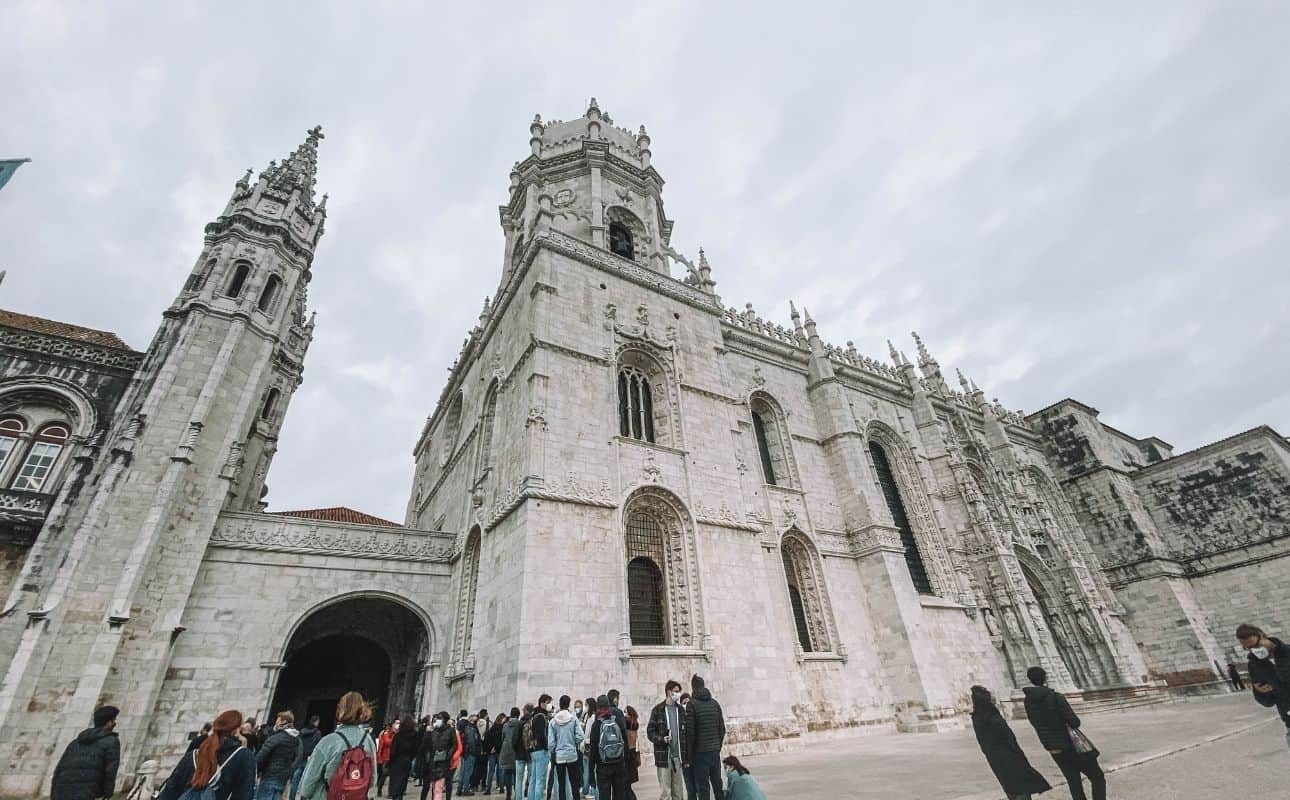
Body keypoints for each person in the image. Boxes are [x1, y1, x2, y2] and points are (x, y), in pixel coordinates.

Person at [1023, 667, 1104, 800]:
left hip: (1053, 747)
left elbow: (1034, 723)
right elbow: (1074, 722)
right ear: (1045, 678)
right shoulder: (1055, 697)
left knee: (1074, 781)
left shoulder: (1028, 702)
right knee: (1097, 777)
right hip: (1071, 745)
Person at [970, 686, 1051, 800]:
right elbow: (1008, 737)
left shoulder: (976, 716)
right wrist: (1017, 753)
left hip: (994, 758)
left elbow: (982, 741)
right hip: (1009, 755)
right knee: (1021, 786)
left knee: (1010, 786)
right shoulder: (993, 716)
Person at [158, 709, 256, 800]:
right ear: (236, 730)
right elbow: (245, 795)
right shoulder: (244, 756)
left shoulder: (193, 755)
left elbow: (170, 791)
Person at [299, 692, 378, 800]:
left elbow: (309, 781)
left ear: (340, 711)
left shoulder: (329, 741)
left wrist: (304, 795)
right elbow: (373, 778)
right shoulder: (368, 740)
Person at [51, 704, 122, 800]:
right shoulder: (111, 741)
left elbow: (59, 769)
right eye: (114, 720)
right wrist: (107, 794)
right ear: (108, 722)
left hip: (61, 791)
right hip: (86, 793)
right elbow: (110, 771)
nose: (115, 723)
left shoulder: (75, 742)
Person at [1237, 623, 1290, 749]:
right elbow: (1267, 702)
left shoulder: (1288, 652)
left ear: (1262, 636)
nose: (1254, 650)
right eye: (1248, 648)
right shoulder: (1254, 665)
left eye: (1255, 645)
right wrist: (1261, 692)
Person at [684, 676, 724, 800]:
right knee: (718, 785)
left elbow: (690, 733)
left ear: (693, 687)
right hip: (714, 751)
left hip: (700, 754)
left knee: (703, 788)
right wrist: (717, 746)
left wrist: (689, 756)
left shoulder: (692, 705)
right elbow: (722, 729)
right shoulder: (715, 703)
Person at [647, 680, 688, 800]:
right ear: (669, 692)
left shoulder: (681, 710)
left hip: (678, 758)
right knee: (666, 793)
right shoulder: (658, 710)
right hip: (664, 757)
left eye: (679, 691)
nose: (678, 694)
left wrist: (685, 758)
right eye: (676, 691)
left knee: (678, 793)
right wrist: (661, 739)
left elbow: (685, 734)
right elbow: (650, 732)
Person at [588, 695, 627, 800]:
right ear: (608, 706)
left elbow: (593, 751)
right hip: (619, 765)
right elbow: (625, 743)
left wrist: (591, 773)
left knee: (604, 796)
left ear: (598, 707)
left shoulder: (596, 725)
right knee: (619, 795)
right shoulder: (617, 721)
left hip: (603, 767)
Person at [257, 711, 302, 800]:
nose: (275, 723)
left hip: (269, 776)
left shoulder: (275, 738)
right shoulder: (296, 740)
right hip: (282, 779)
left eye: (277, 721)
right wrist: (289, 771)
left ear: (283, 722)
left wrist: (257, 770)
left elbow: (261, 756)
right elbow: (297, 757)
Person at [548, 696, 584, 800]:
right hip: (572, 754)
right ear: (568, 704)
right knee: (574, 783)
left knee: (561, 784)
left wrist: (554, 749)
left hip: (559, 756)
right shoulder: (573, 719)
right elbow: (580, 735)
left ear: (560, 704)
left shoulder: (553, 721)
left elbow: (551, 743)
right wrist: (573, 742)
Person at [421, 712, 462, 800]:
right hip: (432, 761)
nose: (437, 720)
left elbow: (454, 745)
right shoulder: (433, 730)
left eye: (440, 718)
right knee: (433, 786)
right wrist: (427, 733)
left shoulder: (451, 731)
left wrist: (448, 755)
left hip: (443, 762)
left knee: (438, 787)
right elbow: (425, 745)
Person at [520, 695, 552, 800]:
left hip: (533, 750)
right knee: (540, 780)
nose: (550, 705)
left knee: (533, 779)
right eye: (548, 702)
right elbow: (541, 735)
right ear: (542, 703)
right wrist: (547, 746)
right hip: (540, 750)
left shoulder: (534, 715)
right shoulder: (541, 716)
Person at [290, 717, 322, 800]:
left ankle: (291, 798)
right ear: (316, 722)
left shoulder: (302, 731)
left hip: (299, 756)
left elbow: (297, 743)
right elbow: (317, 746)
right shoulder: (317, 733)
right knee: (306, 781)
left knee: (295, 780)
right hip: (309, 758)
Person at [389, 716, 420, 800]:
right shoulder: (415, 736)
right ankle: (400, 796)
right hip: (407, 760)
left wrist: (391, 761)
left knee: (395, 781)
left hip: (397, 760)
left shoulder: (398, 736)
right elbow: (416, 749)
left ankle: (395, 796)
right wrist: (411, 757)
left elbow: (393, 751)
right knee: (403, 781)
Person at [499, 708, 521, 800]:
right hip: (516, 751)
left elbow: (502, 737)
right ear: (518, 715)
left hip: (506, 751)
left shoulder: (505, 725)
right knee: (517, 774)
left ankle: (508, 794)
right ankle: (517, 794)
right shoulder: (520, 724)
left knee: (508, 773)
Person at [483, 712, 507, 795]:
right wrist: (495, 748)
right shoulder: (502, 728)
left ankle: (488, 789)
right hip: (499, 752)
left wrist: (490, 749)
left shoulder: (491, 728)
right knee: (500, 771)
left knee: (491, 771)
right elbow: (502, 741)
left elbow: (487, 740)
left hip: (491, 753)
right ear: (501, 719)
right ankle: (501, 788)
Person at [580, 698, 599, 800]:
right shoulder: (595, 716)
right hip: (594, 746)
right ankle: (591, 790)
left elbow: (586, 734)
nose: (584, 707)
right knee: (593, 770)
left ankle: (586, 790)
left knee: (587, 770)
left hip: (588, 746)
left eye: (586, 705)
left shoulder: (591, 718)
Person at [457, 711, 480, 797]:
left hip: (465, 752)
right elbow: (471, 741)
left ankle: (460, 789)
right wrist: (474, 751)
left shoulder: (467, 727)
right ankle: (465, 789)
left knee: (463, 771)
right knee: (467, 772)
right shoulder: (471, 728)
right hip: (469, 753)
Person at [678, 695, 694, 800]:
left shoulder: (696, 718)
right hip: (685, 761)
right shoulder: (679, 720)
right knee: (690, 789)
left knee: (699, 787)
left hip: (697, 760)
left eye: (688, 703)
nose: (686, 705)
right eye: (684, 703)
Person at [622, 706, 641, 800]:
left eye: (625, 712)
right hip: (633, 754)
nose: (624, 714)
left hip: (628, 754)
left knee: (626, 784)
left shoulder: (627, 723)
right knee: (627, 784)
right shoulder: (635, 723)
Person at [378, 720, 400, 797]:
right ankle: (379, 790)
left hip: (393, 758)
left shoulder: (397, 735)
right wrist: (379, 758)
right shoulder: (385, 734)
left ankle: (390, 793)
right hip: (386, 758)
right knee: (384, 775)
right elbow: (383, 745)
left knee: (392, 776)